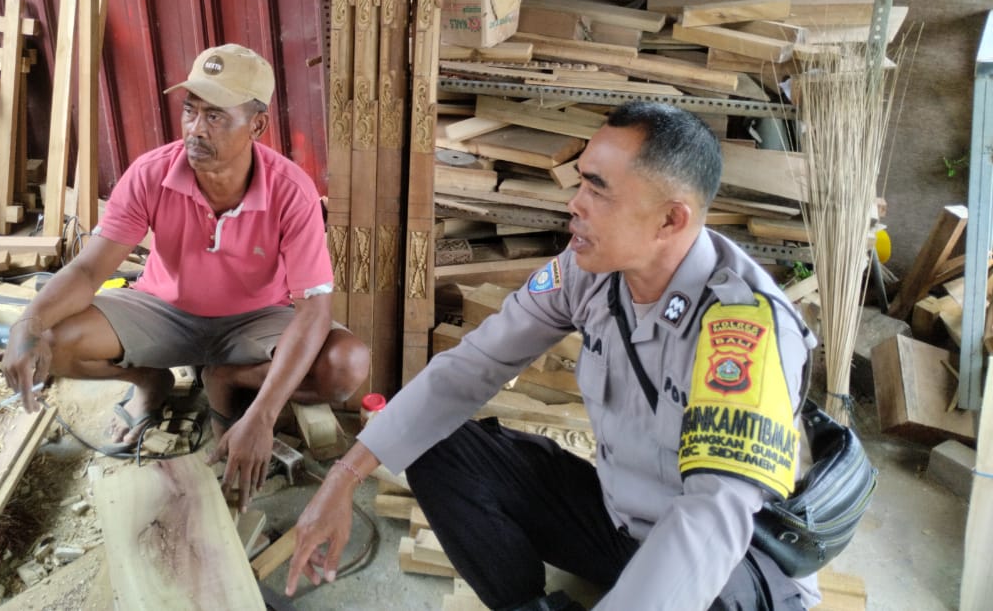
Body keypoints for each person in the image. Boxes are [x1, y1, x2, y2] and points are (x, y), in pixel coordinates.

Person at [287, 101, 820, 610]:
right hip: (621, 522)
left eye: (598, 190)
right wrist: (344, 478)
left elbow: (711, 521)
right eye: (581, 180)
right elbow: (471, 368)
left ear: (669, 221)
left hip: (728, 563)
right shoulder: (589, 271)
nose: (575, 202)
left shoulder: (745, 330)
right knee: (436, 441)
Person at [2, 43, 369, 507]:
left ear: (257, 125)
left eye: (216, 116)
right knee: (52, 337)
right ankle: (149, 382)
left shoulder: (291, 190)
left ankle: (227, 378)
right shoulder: (151, 173)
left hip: (257, 320)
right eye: (190, 111)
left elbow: (314, 309)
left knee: (347, 366)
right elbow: (90, 268)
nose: (196, 129)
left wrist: (260, 417)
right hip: (164, 310)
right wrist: (27, 323)